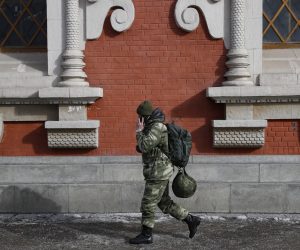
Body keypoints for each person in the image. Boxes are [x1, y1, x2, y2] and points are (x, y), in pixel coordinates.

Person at [129, 100, 201, 244]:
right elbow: (149, 146)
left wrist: (138, 131)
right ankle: (191, 220)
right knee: (164, 203)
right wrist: (143, 135)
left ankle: (146, 234)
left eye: (141, 117)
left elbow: (144, 145)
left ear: (146, 116)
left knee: (148, 203)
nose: (139, 120)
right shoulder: (153, 126)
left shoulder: (157, 127)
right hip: (157, 170)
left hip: (158, 172)